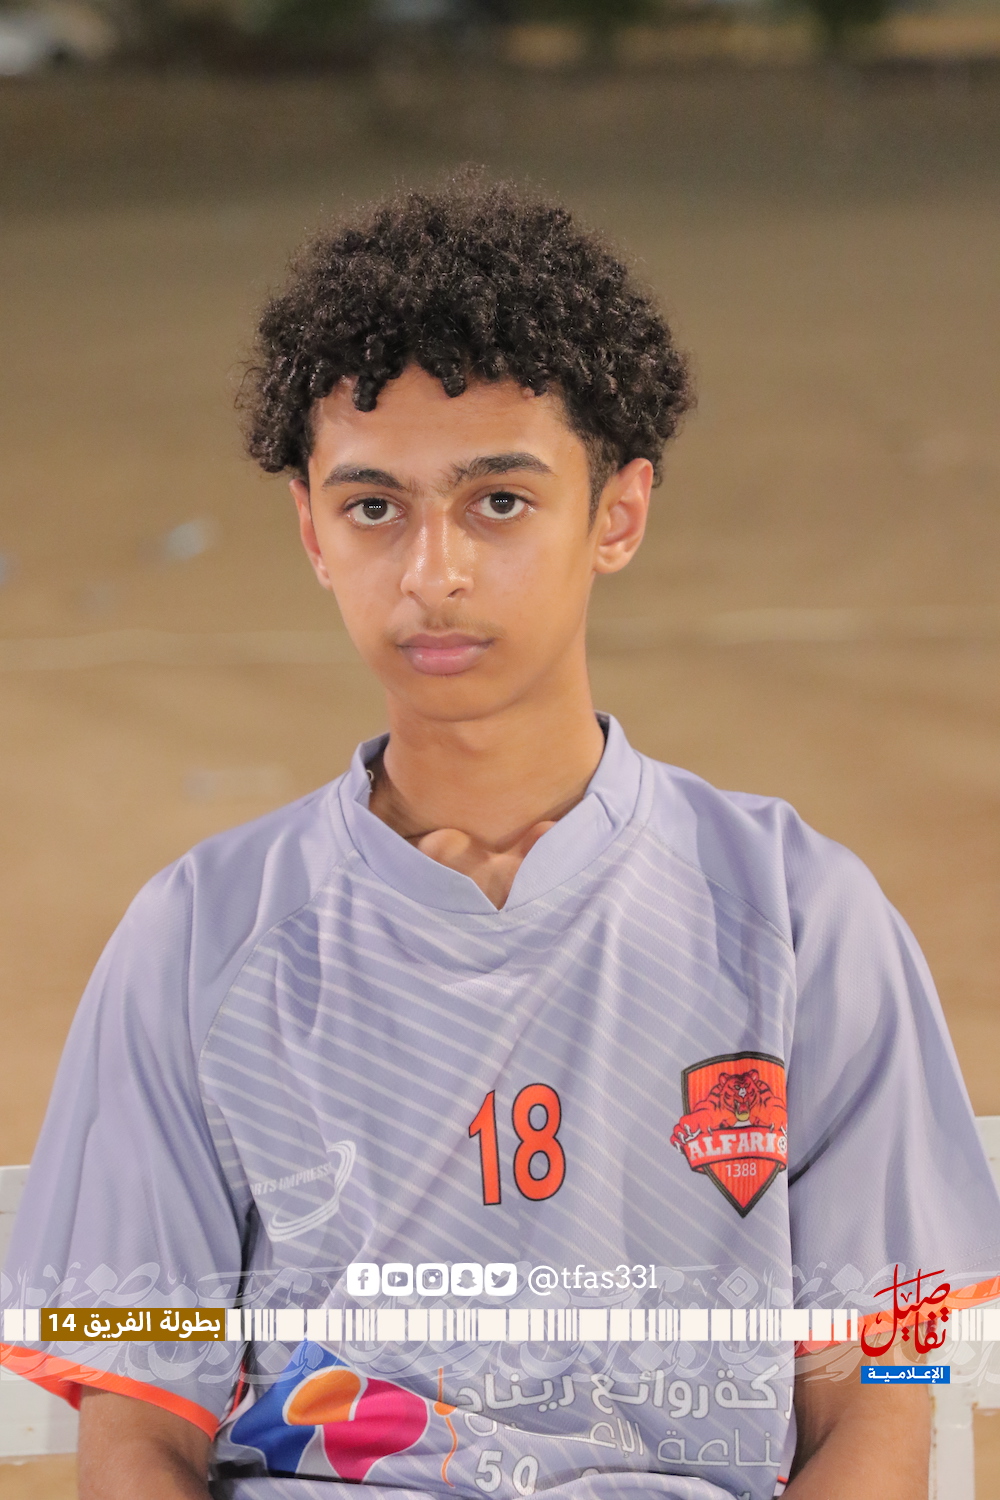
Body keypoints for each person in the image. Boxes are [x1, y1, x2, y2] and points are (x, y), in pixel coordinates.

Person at [2, 177, 999, 1500]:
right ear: (311, 531)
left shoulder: (803, 918)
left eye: (499, 502)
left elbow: (882, 1398)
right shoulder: (199, 938)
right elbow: (135, 1427)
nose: (435, 572)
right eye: (375, 508)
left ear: (618, 514)